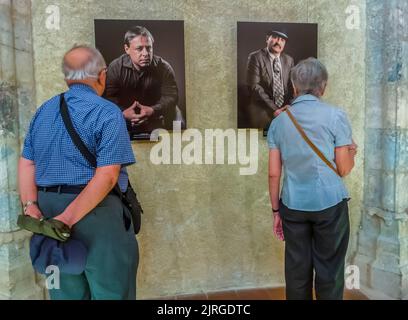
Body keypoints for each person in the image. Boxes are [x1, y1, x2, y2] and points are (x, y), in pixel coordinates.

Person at [18, 45, 138, 300]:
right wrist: (68, 219)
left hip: (49, 213)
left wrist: (31, 207)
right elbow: (107, 176)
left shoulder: (43, 111)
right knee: (112, 291)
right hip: (97, 213)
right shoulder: (107, 112)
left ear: (67, 77)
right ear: (102, 74)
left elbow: (27, 163)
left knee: (64, 293)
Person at [267, 58, 357, 300]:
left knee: (296, 272)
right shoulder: (336, 115)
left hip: (293, 205)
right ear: (323, 87)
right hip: (330, 206)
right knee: (330, 271)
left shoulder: (279, 122)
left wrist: (276, 211)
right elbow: (344, 168)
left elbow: (274, 172)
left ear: (294, 87)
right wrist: (352, 152)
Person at [104, 25, 182, 135]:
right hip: (125, 115)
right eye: (139, 49)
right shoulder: (115, 68)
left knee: (178, 119)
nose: (145, 53)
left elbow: (171, 96)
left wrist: (153, 110)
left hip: (156, 113)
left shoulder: (164, 67)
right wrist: (122, 113)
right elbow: (109, 98)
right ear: (127, 49)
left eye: (149, 48)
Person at [247, 30, 294, 129]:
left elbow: (293, 85)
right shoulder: (255, 57)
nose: (278, 42)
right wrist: (275, 109)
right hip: (263, 107)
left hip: (286, 108)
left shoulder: (289, 60)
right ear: (267, 39)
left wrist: (289, 105)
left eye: (282, 40)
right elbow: (254, 86)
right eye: (275, 37)